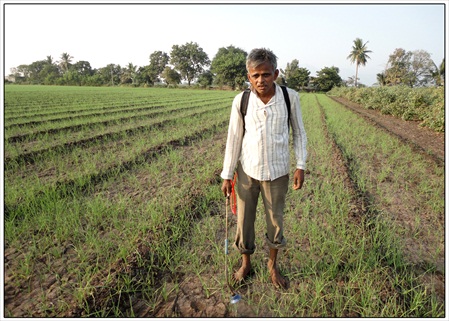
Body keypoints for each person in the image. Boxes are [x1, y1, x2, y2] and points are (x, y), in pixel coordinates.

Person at [220, 48, 307, 289]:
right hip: (247, 171)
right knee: (244, 221)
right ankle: (246, 262)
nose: (261, 80)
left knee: (275, 221)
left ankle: (272, 265)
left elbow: (299, 133)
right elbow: (234, 138)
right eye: (256, 75)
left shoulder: (290, 98)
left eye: (266, 74)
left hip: (278, 172)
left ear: (276, 74)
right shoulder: (242, 100)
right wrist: (228, 175)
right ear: (249, 76)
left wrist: (301, 165)